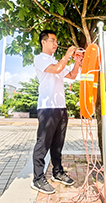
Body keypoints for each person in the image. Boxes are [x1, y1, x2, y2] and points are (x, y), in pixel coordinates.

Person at [31, 30, 83, 194]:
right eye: (52, 40)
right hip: (47, 108)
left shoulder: (55, 61)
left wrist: (77, 61)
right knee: (43, 144)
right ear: (43, 42)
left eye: (56, 41)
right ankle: (38, 178)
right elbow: (57, 68)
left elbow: (73, 75)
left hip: (61, 107)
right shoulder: (41, 59)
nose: (55, 44)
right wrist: (67, 55)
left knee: (57, 144)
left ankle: (57, 172)